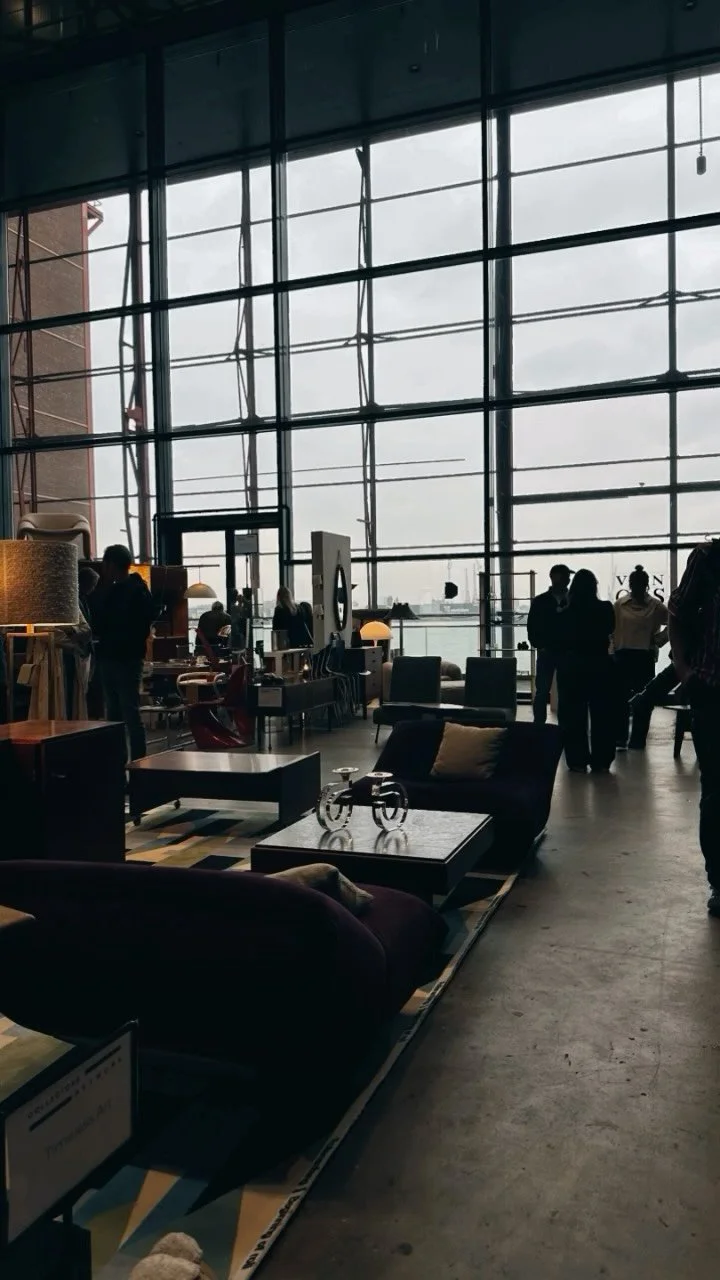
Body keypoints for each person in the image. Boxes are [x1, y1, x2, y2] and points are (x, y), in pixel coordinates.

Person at [668, 540, 720, 916]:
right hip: (713, 691)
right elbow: (678, 612)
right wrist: (684, 670)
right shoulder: (709, 559)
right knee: (716, 791)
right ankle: (719, 880)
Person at [92, 545, 156, 761]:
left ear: (110, 564)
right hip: (129, 658)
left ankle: (119, 765)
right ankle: (137, 766)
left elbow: (99, 623)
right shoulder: (140, 590)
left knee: (118, 714)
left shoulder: (114, 592)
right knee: (129, 713)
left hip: (115, 658)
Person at [556, 569, 616, 773]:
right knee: (603, 714)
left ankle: (577, 760)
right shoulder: (605, 608)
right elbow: (610, 629)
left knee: (572, 715)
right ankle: (602, 759)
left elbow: (560, 639)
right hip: (599, 664)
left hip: (572, 666)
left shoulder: (565, 614)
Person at [613, 565, 668, 749]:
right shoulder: (620, 605)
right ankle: (621, 737)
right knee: (620, 699)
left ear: (645, 585)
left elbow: (674, 621)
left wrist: (660, 640)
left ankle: (636, 739)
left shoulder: (654, 605)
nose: (637, 588)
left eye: (640, 584)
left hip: (642, 656)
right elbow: (611, 631)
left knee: (643, 700)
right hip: (625, 655)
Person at [527, 564, 572, 724]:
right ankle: (543, 724)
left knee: (553, 690)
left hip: (559, 652)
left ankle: (545, 726)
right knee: (547, 691)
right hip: (555, 651)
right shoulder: (570, 600)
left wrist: (539, 644)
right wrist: (540, 645)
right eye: (565, 576)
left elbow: (532, 626)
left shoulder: (542, 601)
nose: (568, 580)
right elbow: (532, 626)